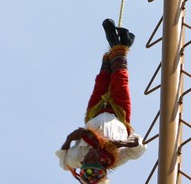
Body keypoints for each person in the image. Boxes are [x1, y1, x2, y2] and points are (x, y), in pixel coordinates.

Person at [57, 19, 147, 183]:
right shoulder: (117, 158)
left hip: (95, 111)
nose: (89, 156)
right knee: (120, 80)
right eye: (93, 160)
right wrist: (121, 143)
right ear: (103, 163)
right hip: (120, 113)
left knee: (102, 80)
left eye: (86, 161)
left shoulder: (76, 158)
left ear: (82, 164)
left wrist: (69, 139)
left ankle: (118, 43)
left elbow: (63, 161)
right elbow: (140, 145)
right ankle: (121, 45)